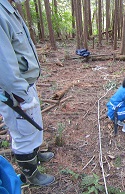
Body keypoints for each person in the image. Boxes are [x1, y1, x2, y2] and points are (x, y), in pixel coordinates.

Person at [0, 0, 55, 186]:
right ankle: (30, 174)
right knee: (23, 132)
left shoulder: (10, 10)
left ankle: (35, 155)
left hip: (25, 84)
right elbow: (4, 64)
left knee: (33, 125)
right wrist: (19, 93)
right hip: (15, 91)